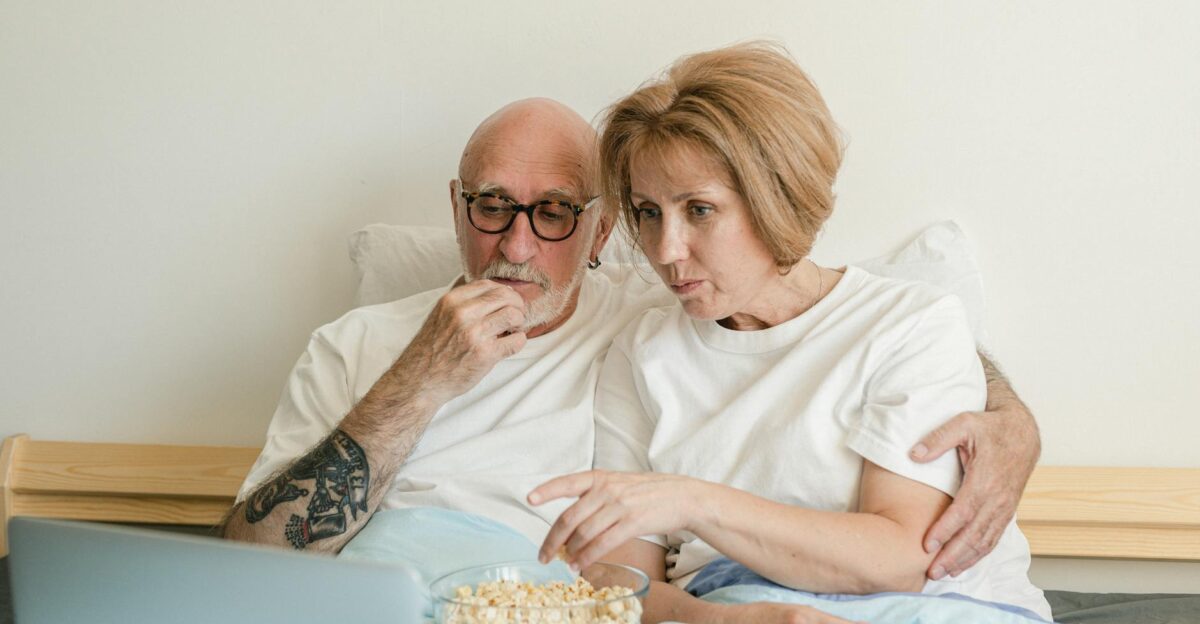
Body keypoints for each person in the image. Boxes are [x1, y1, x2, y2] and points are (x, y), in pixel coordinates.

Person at [222, 96, 1038, 593]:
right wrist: (420, 383)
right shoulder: (356, 343)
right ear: (456, 205)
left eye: (554, 214)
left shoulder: (657, 307)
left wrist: (1005, 411)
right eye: (492, 205)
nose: (515, 245)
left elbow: (824, 307)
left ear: (603, 227)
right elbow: (252, 555)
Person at [529, 43, 1052, 622]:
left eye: (699, 209)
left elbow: (905, 555)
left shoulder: (910, 323)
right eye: (649, 212)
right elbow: (619, 580)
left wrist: (693, 500)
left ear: (776, 197)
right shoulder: (642, 352)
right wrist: (728, 621)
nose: (666, 250)